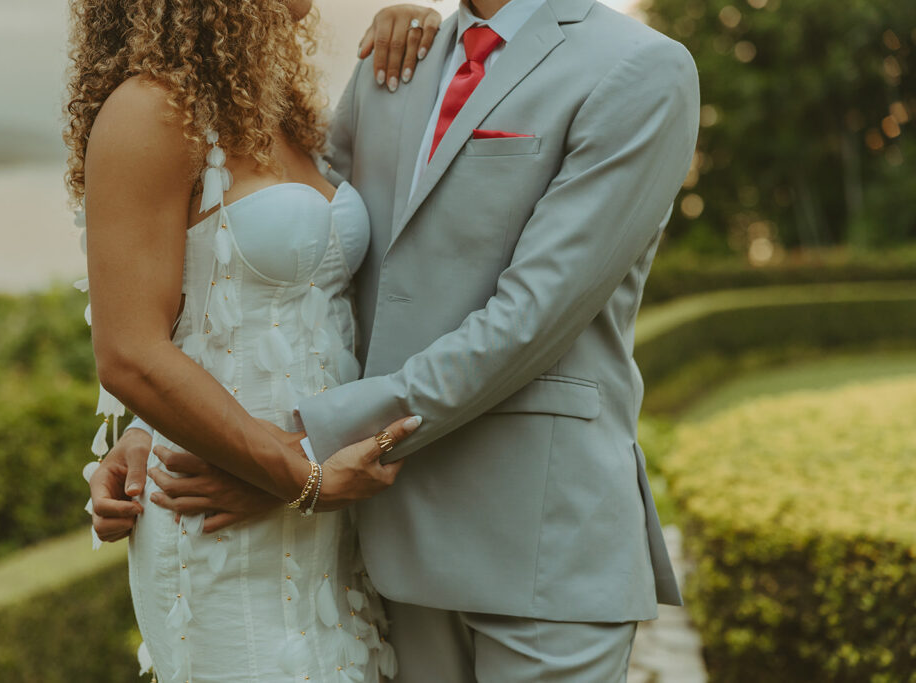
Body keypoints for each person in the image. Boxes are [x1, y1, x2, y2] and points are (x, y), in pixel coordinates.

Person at [94, 0, 701, 680]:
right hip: (383, 540)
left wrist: (297, 458)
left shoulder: (641, 68)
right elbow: (307, 278)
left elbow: (532, 317)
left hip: (539, 541)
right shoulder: (394, 68)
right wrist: (165, 422)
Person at [66, 1, 442, 681]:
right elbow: (129, 352)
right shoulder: (148, 111)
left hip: (325, 519)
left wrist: (430, 36)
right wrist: (300, 475)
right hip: (223, 520)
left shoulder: (281, 111)